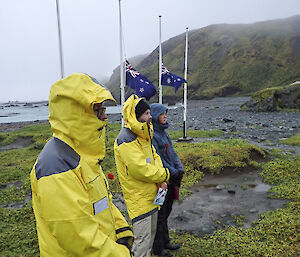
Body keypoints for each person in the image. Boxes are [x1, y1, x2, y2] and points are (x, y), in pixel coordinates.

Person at [30, 73, 134, 257]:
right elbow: (80, 240)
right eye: (97, 110)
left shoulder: (84, 155)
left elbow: (104, 202)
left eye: (103, 109)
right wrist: (122, 254)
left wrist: (121, 231)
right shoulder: (56, 166)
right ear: (75, 112)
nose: (104, 116)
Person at [114, 95, 170, 257]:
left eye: (149, 113)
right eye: (146, 113)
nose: (150, 116)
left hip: (152, 195)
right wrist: (165, 174)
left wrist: (162, 179)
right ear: (136, 116)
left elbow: (155, 157)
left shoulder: (143, 135)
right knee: (142, 240)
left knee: (150, 236)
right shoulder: (126, 139)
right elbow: (140, 169)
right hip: (139, 198)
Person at [150, 103, 184, 257]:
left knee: (167, 211)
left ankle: (166, 241)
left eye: (165, 114)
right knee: (160, 214)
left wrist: (180, 167)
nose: (165, 117)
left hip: (173, 178)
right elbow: (159, 160)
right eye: (162, 114)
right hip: (163, 180)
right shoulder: (152, 136)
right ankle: (158, 248)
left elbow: (172, 153)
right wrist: (173, 172)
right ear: (156, 116)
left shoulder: (165, 133)